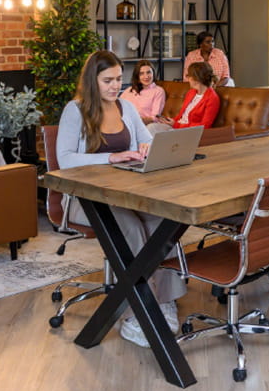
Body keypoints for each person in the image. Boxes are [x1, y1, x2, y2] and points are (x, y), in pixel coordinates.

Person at [56, 50, 184, 347]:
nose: (115, 86)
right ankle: (135, 312)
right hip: (83, 200)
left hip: (125, 193)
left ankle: (164, 300)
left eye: (118, 79)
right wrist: (111, 157)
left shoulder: (126, 107)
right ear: (92, 81)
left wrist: (146, 148)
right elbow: (63, 160)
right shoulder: (74, 111)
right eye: (107, 80)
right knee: (129, 227)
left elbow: (149, 141)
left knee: (163, 220)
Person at [152, 61, 220, 133]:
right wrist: (171, 121)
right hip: (177, 127)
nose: (188, 79)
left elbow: (204, 126)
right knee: (152, 127)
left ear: (196, 79)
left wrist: (176, 125)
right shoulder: (191, 92)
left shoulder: (212, 98)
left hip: (189, 132)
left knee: (153, 131)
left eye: (189, 76)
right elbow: (182, 116)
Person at [119, 60, 166, 126]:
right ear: (137, 76)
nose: (146, 76)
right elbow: (118, 106)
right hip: (125, 122)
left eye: (148, 72)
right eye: (141, 73)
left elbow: (155, 117)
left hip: (144, 125)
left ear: (153, 73)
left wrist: (139, 120)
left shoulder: (158, 91)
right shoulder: (129, 90)